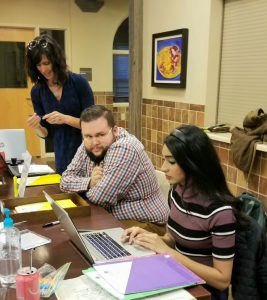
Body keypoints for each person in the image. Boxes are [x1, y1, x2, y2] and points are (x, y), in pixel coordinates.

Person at [122, 125, 246, 300]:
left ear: (193, 163)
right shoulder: (177, 192)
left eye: (171, 162)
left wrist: (169, 254)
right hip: (176, 276)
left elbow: (222, 280)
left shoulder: (221, 212)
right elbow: (172, 238)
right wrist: (149, 238)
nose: (163, 167)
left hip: (203, 291)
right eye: (164, 159)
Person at [60, 105, 169, 235]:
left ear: (115, 130)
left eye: (100, 134)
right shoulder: (88, 144)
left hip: (144, 225)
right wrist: (89, 183)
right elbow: (64, 181)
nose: (94, 142)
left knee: (85, 240)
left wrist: (83, 190)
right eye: (88, 136)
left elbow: (100, 198)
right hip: (108, 218)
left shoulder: (125, 147)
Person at [25, 34, 94, 174]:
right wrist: (37, 126)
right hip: (61, 156)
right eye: (38, 65)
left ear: (56, 60)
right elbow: (46, 134)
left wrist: (65, 119)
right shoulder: (37, 91)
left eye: (46, 63)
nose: (43, 70)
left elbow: (93, 124)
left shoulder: (79, 83)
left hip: (87, 154)